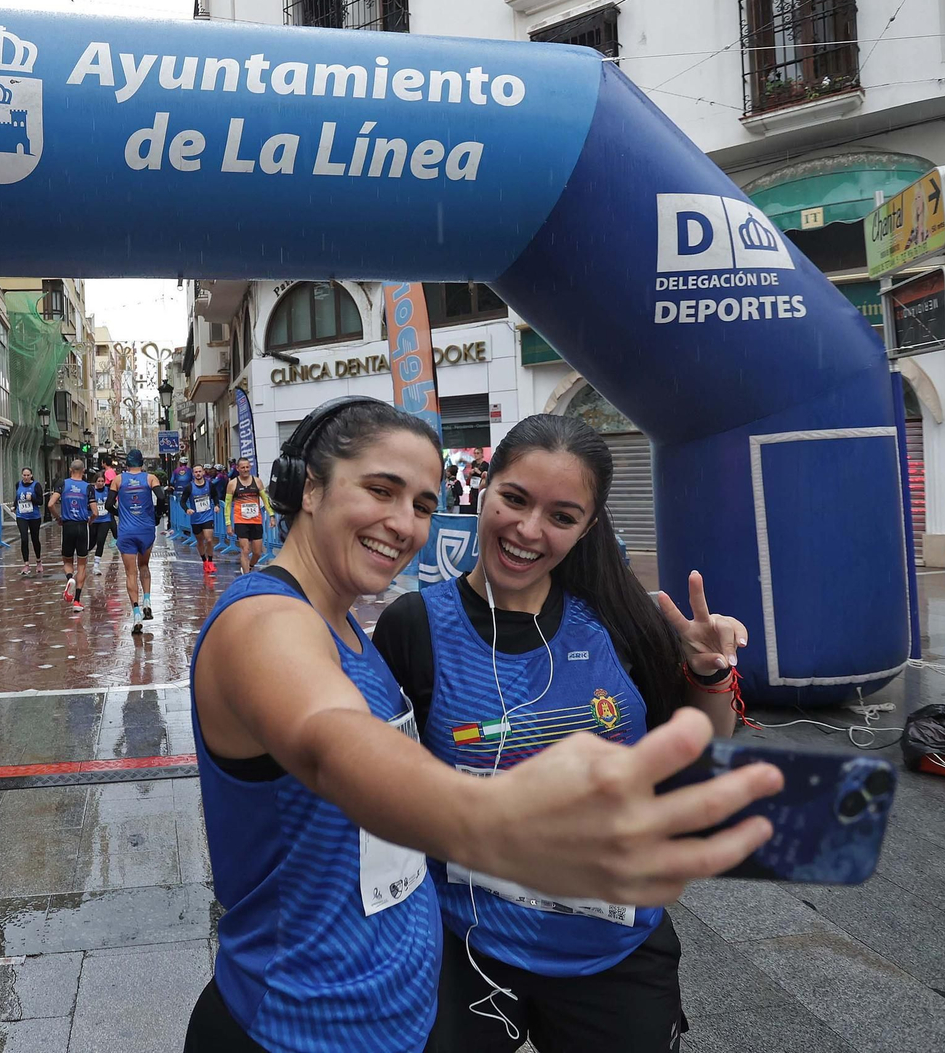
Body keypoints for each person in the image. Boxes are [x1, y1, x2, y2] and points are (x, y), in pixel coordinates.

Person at [183, 397, 781, 1053]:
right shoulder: (270, 621)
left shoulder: (345, 629)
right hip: (309, 1017)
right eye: (380, 489)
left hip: (396, 1005)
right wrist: (492, 819)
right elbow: (329, 737)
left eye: (419, 503)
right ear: (310, 486)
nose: (403, 522)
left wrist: (708, 676)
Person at [371, 414, 746, 1053]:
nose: (528, 530)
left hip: (613, 953)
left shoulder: (618, 620)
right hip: (469, 948)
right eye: (514, 499)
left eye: (561, 516)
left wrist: (707, 675)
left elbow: (697, 745)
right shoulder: (415, 626)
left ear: (588, 528)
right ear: (483, 490)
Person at [108, 448, 162, 635]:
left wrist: (120, 513)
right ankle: (147, 600)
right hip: (146, 530)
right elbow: (162, 497)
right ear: (142, 462)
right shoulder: (150, 478)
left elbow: (108, 505)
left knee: (130, 574)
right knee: (144, 567)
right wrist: (156, 515)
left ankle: (137, 613)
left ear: (127, 464)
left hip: (127, 531)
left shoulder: (118, 480)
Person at [48, 459, 92, 612]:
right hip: (81, 526)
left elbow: (50, 504)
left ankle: (69, 579)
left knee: (67, 561)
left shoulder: (63, 484)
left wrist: (58, 517)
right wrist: (90, 520)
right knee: (82, 565)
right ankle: (77, 601)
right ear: (83, 471)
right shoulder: (88, 487)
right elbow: (97, 512)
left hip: (68, 526)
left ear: (70, 469)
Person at [224, 457, 274, 573]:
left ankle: (250, 566)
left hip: (256, 521)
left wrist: (271, 516)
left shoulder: (257, 481)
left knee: (257, 552)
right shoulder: (232, 484)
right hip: (241, 521)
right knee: (245, 550)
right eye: (243, 467)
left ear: (250, 467)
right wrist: (228, 524)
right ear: (237, 469)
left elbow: (265, 500)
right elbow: (227, 506)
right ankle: (246, 576)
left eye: (247, 467)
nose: (245, 470)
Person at [182, 463, 221, 573]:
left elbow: (215, 496)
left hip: (208, 516)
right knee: (200, 541)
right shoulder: (189, 487)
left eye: (200, 471)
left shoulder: (209, 484)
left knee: (209, 539)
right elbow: (182, 501)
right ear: (193, 474)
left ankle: (210, 561)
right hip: (196, 518)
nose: (198, 474)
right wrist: (187, 509)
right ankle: (204, 561)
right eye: (196, 472)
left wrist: (217, 505)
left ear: (203, 472)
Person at [13, 467, 44, 576]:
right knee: (24, 538)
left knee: (35, 539)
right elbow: (17, 497)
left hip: (34, 516)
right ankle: (26, 564)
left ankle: (38, 561)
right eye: (24, 475)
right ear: (22, 475)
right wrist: (14, 506)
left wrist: (32, 499)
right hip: (21, 516)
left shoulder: (36, 485)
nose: (26, 477)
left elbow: (41, 502)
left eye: (28, 475)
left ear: (31, 475)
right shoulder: (18, 484)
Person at [90, 470, 116, 574]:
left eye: (102, 481)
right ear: (95, 481)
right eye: (99, 481)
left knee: (101, 541)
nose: (101, 483)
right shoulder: (91, 491)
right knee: (91, 543)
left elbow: (112, 502)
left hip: (105, 519)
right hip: (93, 520)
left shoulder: (108, 490)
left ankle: (96, 565)